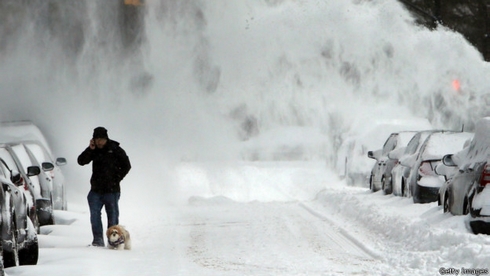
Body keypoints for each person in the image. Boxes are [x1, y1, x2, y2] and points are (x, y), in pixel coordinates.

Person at [77, 127, 131, 247]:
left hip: (112, 191)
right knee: (95, 216)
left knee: (113, 217)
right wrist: (90, 149)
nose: (99, 142)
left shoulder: (115, 149)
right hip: (95, 190)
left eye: (101, 139)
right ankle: (97, 241)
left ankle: (114, 242)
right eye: (97, 139)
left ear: (106, 139)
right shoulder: (94, 150)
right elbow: (81, 161)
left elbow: (127, 165)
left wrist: (117, 178)